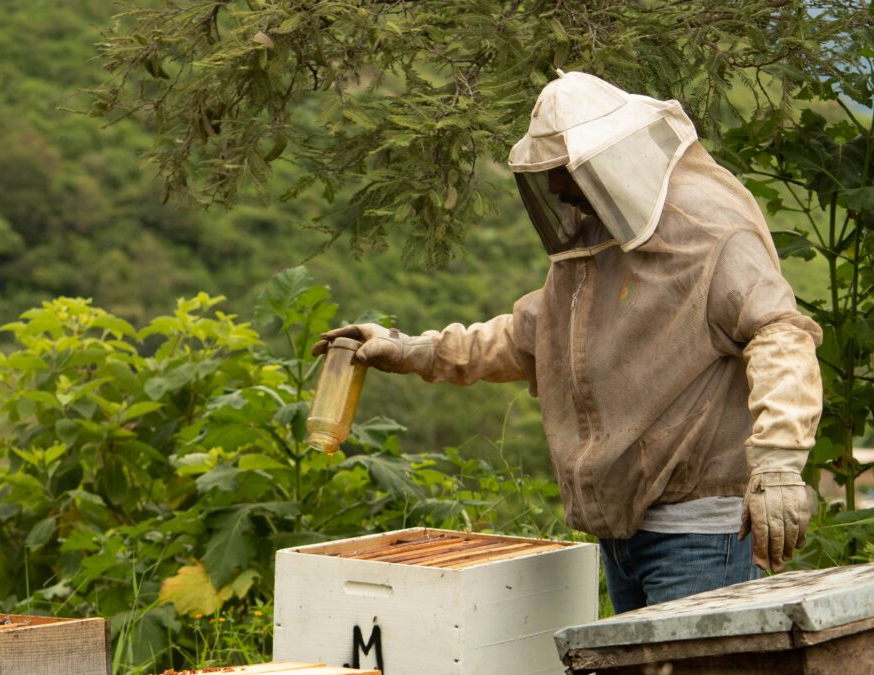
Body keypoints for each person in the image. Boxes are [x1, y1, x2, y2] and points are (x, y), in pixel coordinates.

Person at [311, 71, 823, 612]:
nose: (558, 191)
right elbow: (528, 336)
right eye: (552, 177)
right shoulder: (592, 246)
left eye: (565, 174)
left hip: (701, 537)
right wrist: (407, 349)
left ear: (610, 164)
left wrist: (778, 465)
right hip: (622, 535)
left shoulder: (711, 233)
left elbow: (781, 335)